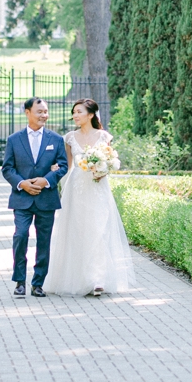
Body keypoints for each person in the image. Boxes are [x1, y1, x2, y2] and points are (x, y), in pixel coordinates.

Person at [43, 98, 135, 296]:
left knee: (99, 230)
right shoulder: (69, 137)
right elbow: (66, 166)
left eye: (79, 112)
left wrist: (102, 170)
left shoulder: (103, 136)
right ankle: (79, 278)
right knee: (77, 231)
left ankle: (98, 279)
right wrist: (53, 172)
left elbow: (110, 162)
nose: (75, 115)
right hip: (76, 188)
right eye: (74, 112)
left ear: (91, 115)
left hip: (98, 187)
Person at [0, 97, 68, 297]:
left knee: (43, 241)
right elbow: (7, 169)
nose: (43, 115)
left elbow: (63, 165)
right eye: (39, 111)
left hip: (46, 198)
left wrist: (45, 180)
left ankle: (38, 283)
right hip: (22, 199)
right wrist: (23, 184)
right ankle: (19, 281)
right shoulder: (14, 139)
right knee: (20, 236)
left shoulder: (55, 139)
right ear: (27, 112)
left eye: (45, 111)